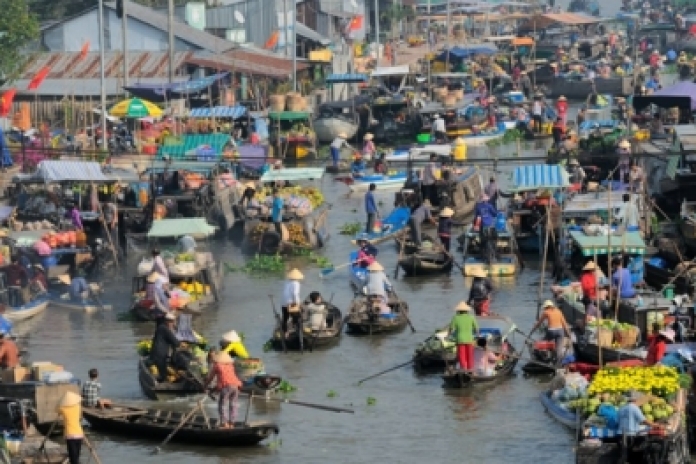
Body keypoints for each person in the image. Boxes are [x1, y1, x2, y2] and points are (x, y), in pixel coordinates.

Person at [203, 351, 242, 429]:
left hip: (227, 386)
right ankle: (231, 423)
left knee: (222, 405)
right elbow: (227, 378)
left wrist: (205, 386)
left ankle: (224, 424)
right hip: (236, 386)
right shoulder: (230, 365)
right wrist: (214, 389)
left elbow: (210, 378)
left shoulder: (217, 366)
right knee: (233, 404)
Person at [149, 312, 180, 383]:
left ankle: (160, 375)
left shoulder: (160, 327)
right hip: (160, 357)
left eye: (173, 322)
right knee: (164, 376)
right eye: (171, 322)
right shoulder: (165, 329)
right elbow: (176, 343)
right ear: (167, 321)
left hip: (155, 355)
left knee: (164, 372)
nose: (173, 324)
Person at [449, 302, 479, 372]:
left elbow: (451, 329)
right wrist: (477, 336)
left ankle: (464, 369)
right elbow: (476, 329)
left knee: (462, 356)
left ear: (459, 310)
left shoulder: (455, 318)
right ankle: (470, 369)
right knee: (470, 355)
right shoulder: (471, 317)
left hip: (460, 339)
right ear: (467, 310)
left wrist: (448, 335)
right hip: (469, 339)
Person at [56, 391, 84, 464]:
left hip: (70, 435)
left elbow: (56, 409)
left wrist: (61, 402)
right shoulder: (78, 406)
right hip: (79, 434)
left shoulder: (63, 408)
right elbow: (80, 415)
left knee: (73, 457)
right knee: (77, 456)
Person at [474, 194, 498, 261]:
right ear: (487, 200)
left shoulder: (478, 206)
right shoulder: (490, 206)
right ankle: (494, 255)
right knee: (493, 241)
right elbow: (495, 214)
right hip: (490, 226)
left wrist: (476, 227)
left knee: (483, 242)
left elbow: (477, 217)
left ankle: (483, 255)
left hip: (483, 226)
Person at [282, 268, 303, 334]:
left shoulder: (287, 283)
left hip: (284, 303)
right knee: (297, 318)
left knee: (285, 318)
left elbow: (285, 294)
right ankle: (297, 332)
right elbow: (295, 294)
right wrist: (298, 303)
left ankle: (285, 332)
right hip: (291, 303)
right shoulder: (296, 283)